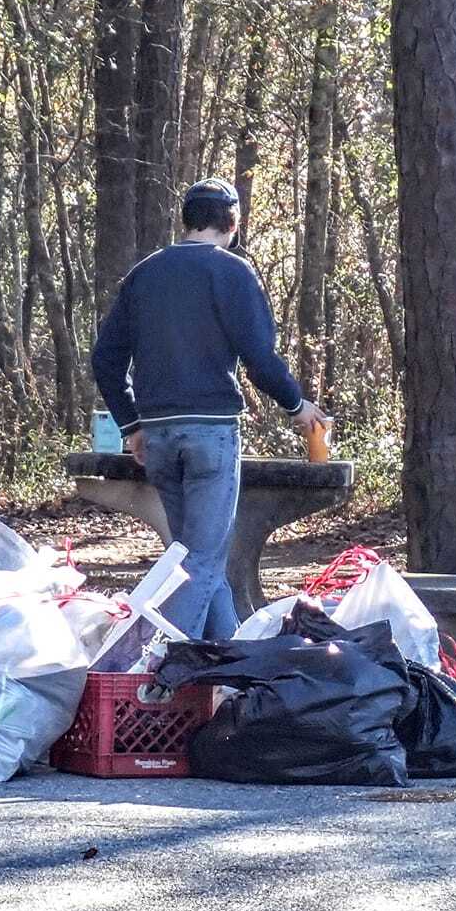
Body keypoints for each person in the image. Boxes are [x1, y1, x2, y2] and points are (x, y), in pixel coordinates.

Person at [91, 178, 327, 639]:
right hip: (211, 434)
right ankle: (156, 668)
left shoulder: (145, 273)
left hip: (157, 436)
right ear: (232, 224)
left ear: (186, 219)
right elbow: (260, 359)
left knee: (194, 556)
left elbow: (105, 359)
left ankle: (230, 667)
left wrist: (131, 424)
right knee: (200, 561)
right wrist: (297, 405)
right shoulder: (232, 272)